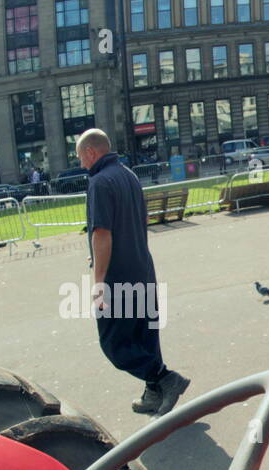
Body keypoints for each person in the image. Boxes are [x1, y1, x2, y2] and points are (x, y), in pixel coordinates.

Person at [75, 129, 188, 416]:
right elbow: (141, 219)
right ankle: (154, 392)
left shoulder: (99, 183)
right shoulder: (129, 175)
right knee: (145, 335)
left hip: (118, 277)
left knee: (114, 343)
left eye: (80, 158)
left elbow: (101, 233)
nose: (81, 165)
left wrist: (98, 280)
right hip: (142, 267)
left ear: (91, 152)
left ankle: (164, 378)